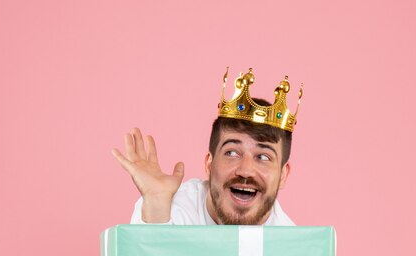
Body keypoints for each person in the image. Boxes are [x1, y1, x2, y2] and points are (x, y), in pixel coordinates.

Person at [112, 68, 302, 226]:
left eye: (263, 157)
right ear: (209, 165)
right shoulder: (169, 208)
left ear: (283, 175)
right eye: (232, 153)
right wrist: (156, 205)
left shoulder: (293, 249)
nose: (245, 171)